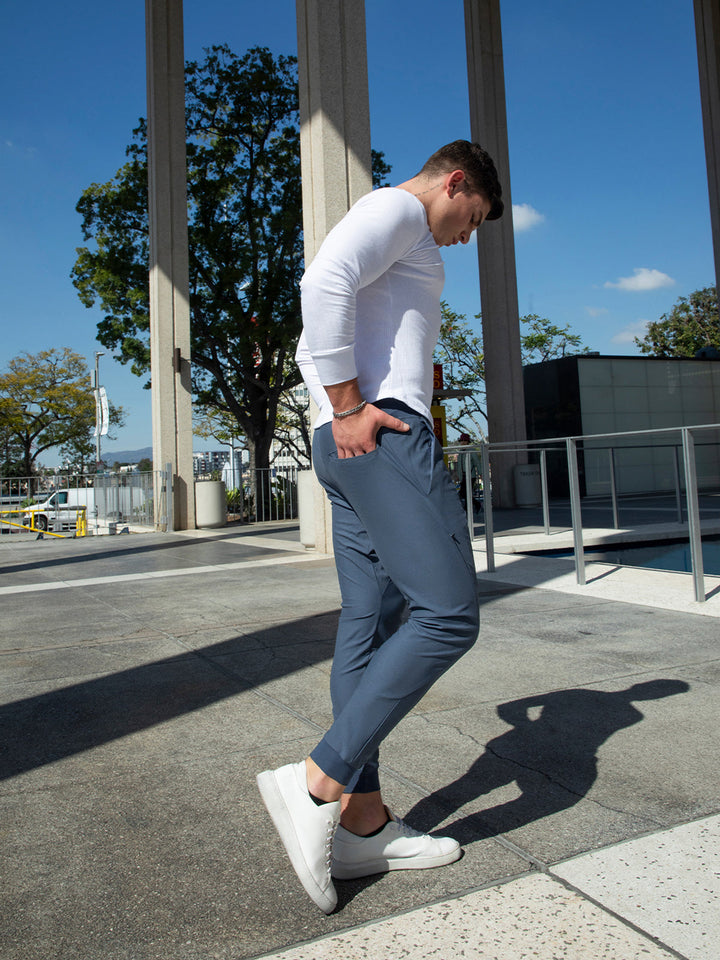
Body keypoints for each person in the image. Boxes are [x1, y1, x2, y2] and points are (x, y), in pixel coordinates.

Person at [257, 140, 504, 913]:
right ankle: (315, 783)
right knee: (450, 614)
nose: (468, 236)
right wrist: (348, 402)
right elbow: (323, 280)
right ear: (455, 182)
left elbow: (357, 306)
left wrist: (386, 388)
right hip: (376, 432)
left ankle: (362, 822)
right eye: (474, 218)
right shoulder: (400, 208)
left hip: (352, 440)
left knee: (371, 620)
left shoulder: (407, 230)